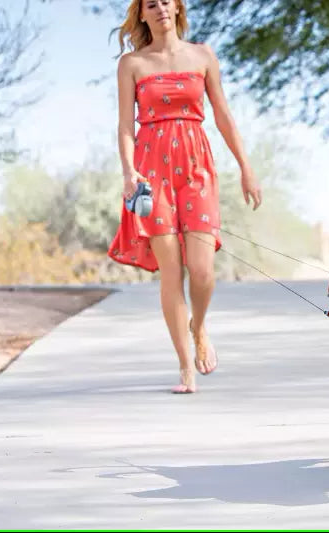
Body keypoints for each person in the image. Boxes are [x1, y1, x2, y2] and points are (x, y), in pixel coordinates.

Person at [108, 0, 262, 393]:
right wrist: (128, 172)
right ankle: (184, 365)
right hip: (150, 168)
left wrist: (246, 168)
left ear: (177, 8)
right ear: (142, 14)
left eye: (166, 1)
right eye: (151, 4)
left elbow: (223, 116)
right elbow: (125, 126)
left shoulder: (202, 55)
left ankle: (200, 326)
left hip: (196, 165)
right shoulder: (131, 64)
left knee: (203, 269)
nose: (160, 8)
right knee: (172, 271)